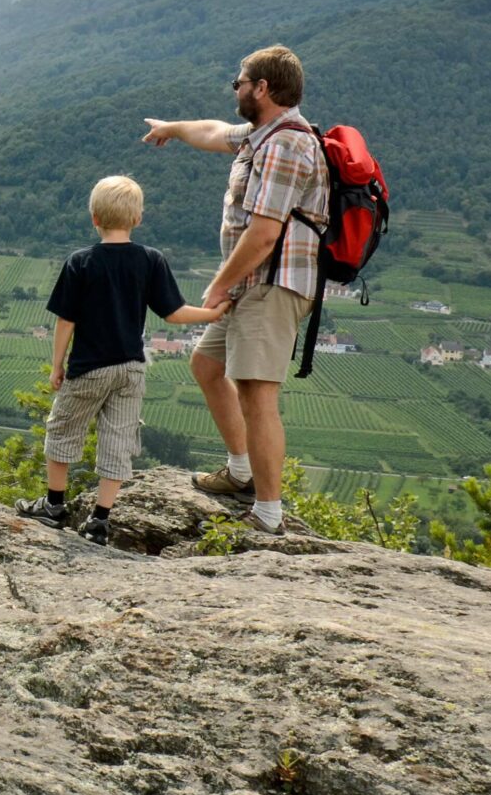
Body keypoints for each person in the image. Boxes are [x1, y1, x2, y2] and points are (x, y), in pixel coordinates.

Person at [139, 44, 330, 533]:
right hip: (251, 285)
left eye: (239, 82)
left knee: (256, 394)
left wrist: (218, 284)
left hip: (272, 285)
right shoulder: (260, 135)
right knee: (206, 365)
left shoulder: (289, 144)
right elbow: (214, 132)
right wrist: (173, 130)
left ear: (262, 89)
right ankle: (241, 473)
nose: (235, 89)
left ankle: (268, 514)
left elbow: (266, 232)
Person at [19, 175, 223, 545]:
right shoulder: (150, 260)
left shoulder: (80, 262)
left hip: (89, 367)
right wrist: (214, 313)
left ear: (94, 218)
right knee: (119, 439)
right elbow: (174, 314)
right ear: (138, 218)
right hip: (131, 368)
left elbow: (66, 319)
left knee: (63, 429)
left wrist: (56, 366)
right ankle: (100, 521)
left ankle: (53, 507)